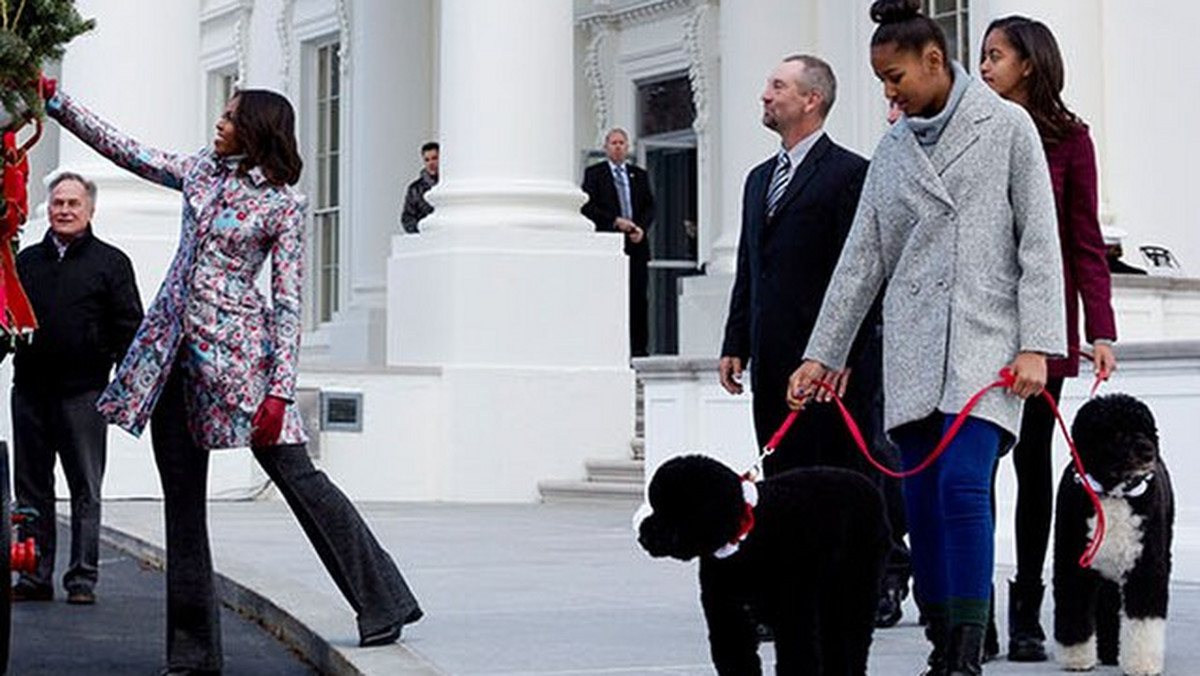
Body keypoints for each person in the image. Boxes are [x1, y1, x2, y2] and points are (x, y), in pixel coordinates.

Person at [42, 81, 422, 675]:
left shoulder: (282, 205)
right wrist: (57, 101)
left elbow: (291, 300)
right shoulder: (199, 173)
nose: (217, 123)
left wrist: (279, 387)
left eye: (228, 117)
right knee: (184, 507)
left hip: (241, 365)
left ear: (256, 129)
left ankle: (384, 601)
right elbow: (128, 151)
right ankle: (193, 657)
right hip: (172, 360)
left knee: (301, 480)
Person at [787, 1, 1067, 673]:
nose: (889, 93)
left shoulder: (1007, 127)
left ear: (934, 61)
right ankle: (944, 639)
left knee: (963, 488)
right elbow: (863, 258)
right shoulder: (893, 149)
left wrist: (1039, 345)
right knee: (920, 498)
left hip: (988, 345)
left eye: (895, 76)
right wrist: (821, 355)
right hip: (912, 348)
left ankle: (968, 647)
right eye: (881, 79)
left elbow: (1040, 240)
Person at [717, 53, 911, 627]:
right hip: (774, 361)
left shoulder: (851, 174)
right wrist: (736, 342)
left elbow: (867, 270)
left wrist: (843, 353)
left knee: (850, 478)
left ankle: (880, 576)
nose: (764, 95)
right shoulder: (758, 182)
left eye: (777, 86)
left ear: (811, 100)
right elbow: (750, 270)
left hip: (834, 366)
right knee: (783, 481)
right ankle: (786, 594)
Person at [978, 15, 1120, 663]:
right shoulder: (971, 130)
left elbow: (1086, 242)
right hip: (977, 323)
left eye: (996, 56)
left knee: (1035, 468)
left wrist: (1101, 330)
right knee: (972, 469)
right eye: (981, 57)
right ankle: (971, 608)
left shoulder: (1070, 139)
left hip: (1043, 326)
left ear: (1028, 63)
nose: (983, 67)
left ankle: (1027, 612)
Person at [4, 171, 143, 606]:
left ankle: (82, 579)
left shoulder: (112, 263)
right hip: (29, 391)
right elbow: (6, 321)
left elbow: (129, 328)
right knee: (31, 489)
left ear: (90, 210)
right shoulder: (24, 262)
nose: (64, 210)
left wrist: (126, 390)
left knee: (85, 489)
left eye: (73, 204)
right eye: (58, 203)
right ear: (49, 207)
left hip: (84, 394)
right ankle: (34, 575)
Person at [581, 128, 654, 357]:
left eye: (622, 143)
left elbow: (650, 206)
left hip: (636, 246)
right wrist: (615, 222)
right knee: (611, 298)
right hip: (610, 245)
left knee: (638, 299)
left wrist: (640, 227)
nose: (618, 147)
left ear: (628, 147)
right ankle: (610, 348)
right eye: (613, 143)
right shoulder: (595, 174)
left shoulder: (639, 175)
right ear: (605, 147)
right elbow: (588, 207)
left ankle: (639, 349)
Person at [400, 140, 439, 233]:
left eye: (434, 158)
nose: (431, 163)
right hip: (425, 240)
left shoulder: (449, 184)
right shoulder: (414, 189)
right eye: (427, 160)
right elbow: (407, 218)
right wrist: (422, 231)